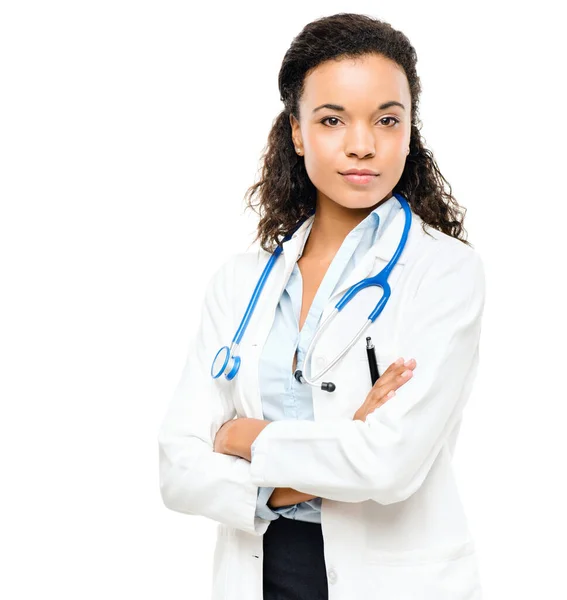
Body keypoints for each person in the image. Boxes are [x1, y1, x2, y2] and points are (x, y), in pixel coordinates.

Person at [158, 12, 486, 600]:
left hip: (392, 581)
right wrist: (318, 460)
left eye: (387, 119)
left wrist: (244, 438)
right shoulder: (239, 283)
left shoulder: (444, 272)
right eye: (333, 120)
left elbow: (388, 465)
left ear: (410, 131)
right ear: (298, 131)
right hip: (259, 574)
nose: (363, 145)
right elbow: (178, 470)